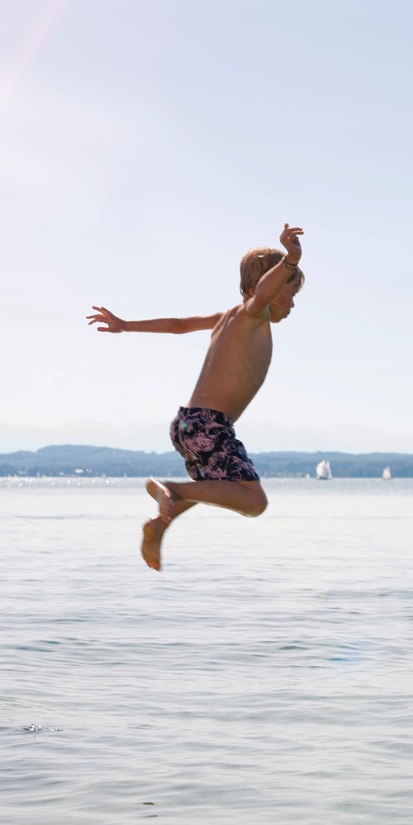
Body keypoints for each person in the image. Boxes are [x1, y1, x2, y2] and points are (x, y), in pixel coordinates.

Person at [87, 223, 305, 570]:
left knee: (214, 487)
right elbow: (265, 293)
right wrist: (290, 261)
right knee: (254, 500)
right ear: (267, 285)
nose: (293, 303)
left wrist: (127, 325)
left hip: (188, 424)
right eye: (291, 292)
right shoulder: (254, 314)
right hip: (210, 426)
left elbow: (178, 324)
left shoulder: (225, 318)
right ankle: (169, 488)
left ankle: (161, 522)